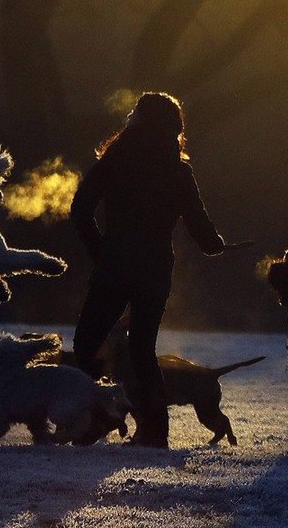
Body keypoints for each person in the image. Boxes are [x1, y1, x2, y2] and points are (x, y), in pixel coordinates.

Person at [70, 92, 227, 448]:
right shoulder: (178, 170)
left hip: (115, 268)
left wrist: (100, 250)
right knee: (143, 351)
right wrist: (216, 244)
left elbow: (80, 209)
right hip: (155, 271)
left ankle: (102, 416)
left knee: (86, 346)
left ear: (138, 120)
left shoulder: (116, 160)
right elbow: (202, 231)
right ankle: (154, 432)